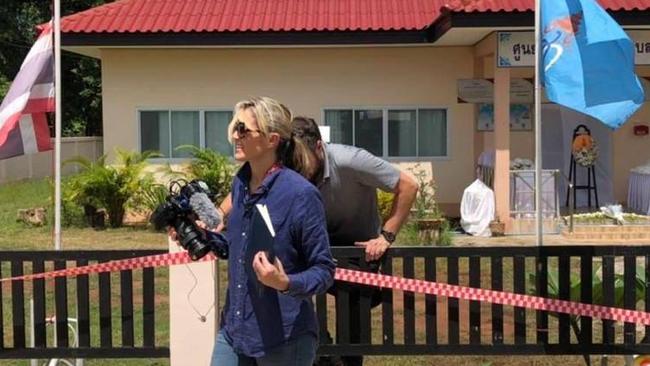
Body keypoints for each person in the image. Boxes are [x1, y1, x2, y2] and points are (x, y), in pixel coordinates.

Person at [219, 116, 418, 366]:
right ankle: (318, 352)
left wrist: (386, 236)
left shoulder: (350, 160)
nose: (298, 165)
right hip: (308, 242)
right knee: (298, 296)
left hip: (355, 250)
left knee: (352, 322)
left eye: (304, 158)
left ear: (319, 147)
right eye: (294, 158)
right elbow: (247, 186)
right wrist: (219, 213)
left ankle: (347, 361)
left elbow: (409, 184)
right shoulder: (288, 164)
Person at [195, 97, 335, 366]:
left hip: (283, 338)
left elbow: (324, 270)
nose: (235, 135)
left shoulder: (300, 195)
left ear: (272, 140)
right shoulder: (240, 184)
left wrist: (284, 283)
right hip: (236, 330)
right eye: (234, 127)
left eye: (243, 129)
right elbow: (237, 246)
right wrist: (202, 237)